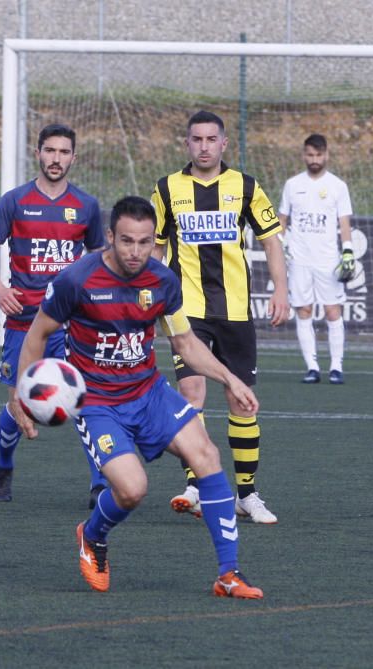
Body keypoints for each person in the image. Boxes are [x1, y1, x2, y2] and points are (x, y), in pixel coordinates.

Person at [10, 195, 264, 598]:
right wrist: (21, 395)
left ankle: (228, 574)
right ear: (110, 236)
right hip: (96, 404)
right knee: (132, 490)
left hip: (149, 392)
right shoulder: (77, 280)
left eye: (145, 242)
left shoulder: (162, 280)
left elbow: (184, 342)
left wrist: (229, 380)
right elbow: (37, 335)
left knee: (207, 456)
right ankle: (92, 536)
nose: (135, 251)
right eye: (126, 241)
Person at [150, 110, 289, 524]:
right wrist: (146, 297)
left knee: (241, 403)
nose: (204, 146)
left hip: (235, 311)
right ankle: (196, 487)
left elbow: (271, 240)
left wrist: (280, 288)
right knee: (192, 396)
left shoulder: (245, 187)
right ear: (187, 144)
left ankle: (247, 494)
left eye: (212, 139)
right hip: (185, 310)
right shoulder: (167, 188)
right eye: (197, 139)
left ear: (224, 144)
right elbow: (155, 249)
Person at [0, 123, 107, 507]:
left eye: (64, 152)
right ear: (38, 153)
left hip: (70, 325)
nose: (56, 158)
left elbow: (99, 260)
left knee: (85, 399)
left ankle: (99, 482)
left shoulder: (86, 206)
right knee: (19, 404)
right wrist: (0, 290)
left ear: (73, 158)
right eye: (50, 150)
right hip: (24, 323)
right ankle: (4, 468)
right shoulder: (15, 201)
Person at [278, 133, 355, 385]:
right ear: (303, 155)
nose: (314, 159)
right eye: (310, 155)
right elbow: (282, 220)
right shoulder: (292, 185)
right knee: (304, 310)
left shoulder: (337, 186)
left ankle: (336, 367)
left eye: (319, 155)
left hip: (327, 260)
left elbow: (344, 222)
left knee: (333, 311)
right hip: (299, 259)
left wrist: (348, 251)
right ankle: (312, 367)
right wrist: (282, 244)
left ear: (327, 155)